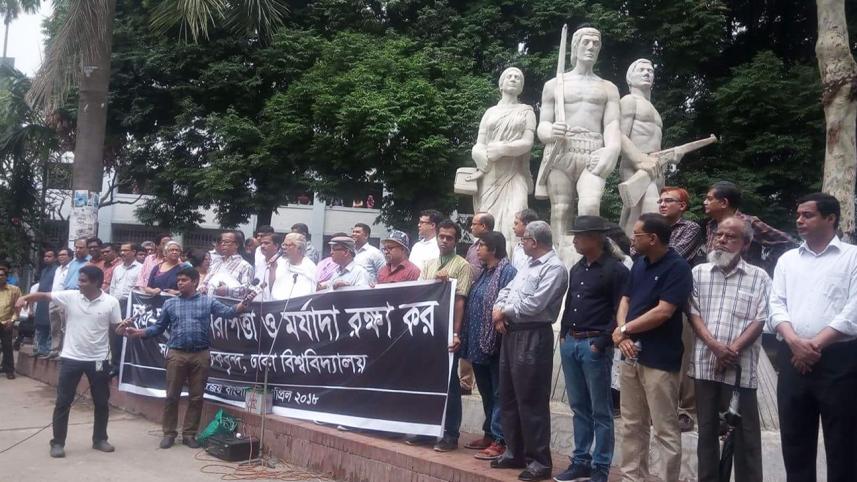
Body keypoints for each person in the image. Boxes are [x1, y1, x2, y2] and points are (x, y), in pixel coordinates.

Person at [768, 193, 857, 482]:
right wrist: (795, 343)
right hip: (793, 358)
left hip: (839, 361)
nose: (799, 220)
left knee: (843, 442)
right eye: (798, 214)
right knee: (795, 441)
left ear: (830, 218)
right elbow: (776, 305)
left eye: (807, 215)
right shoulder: (787, 260)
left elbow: (852, 310)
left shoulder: (852, 257)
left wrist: (813, 346)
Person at [122, 267, 253, 449]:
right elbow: (159, 328)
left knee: (196, 397)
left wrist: (243, 305)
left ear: (194, 282)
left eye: (184, 280)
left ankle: (189, 434)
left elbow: (228, 313)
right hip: (176, 353)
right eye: (179, 280)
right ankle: (168, 433)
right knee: (172, 396)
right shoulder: (170, 304)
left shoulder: (208, 302)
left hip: (200, 354)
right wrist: (140, 332)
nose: (180, 283)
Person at [612, 213, 693, 482]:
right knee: (632, 424)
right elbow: (625, 299)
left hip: (660, 359)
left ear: (652, 238)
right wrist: (623, 335)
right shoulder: (639, 264)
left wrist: (625, 330)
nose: (633, 239)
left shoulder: (678, 268)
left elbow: (663, 311)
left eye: (637, 235)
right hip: (630, 354)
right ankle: (631, 477)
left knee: (664, 428)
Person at [688, 216, 769, 482]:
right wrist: (714, 346)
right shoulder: (698, 273)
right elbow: (693, 312)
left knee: (745, 436)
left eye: (730, 236)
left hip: (740, 370)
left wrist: (730, 350)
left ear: (745, 244)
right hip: (705, 365)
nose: (721, 240)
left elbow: (761, 318)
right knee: (707, 433)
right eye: (719, 235)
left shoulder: (759, 277)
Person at [16, 265, 122, 458]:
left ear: (96, 282)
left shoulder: (111, 302)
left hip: (99, 360)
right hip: (71, 358)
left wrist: (125, 331)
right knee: (63, 401)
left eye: (83, 280)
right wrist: (25, 297)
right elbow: (43, 295)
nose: (78, 283)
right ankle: (57, 443)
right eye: (79, 280)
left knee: (101, 402)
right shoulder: (71, 296)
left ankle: (100, 439)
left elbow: (117, 329)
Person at [490, 220, 568, 481]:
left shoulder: (555, 269)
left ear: (534, 242)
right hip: (511, 332)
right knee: (509, 395)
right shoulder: (526, 265)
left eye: (523, 240)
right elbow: (507, 290)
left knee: (531, 399)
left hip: (534, 333)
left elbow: (536, 303)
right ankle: (515, 451)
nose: (521, 243)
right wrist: (498, 310)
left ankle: (540, 461)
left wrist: (505, 310)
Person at [555, 216, 629, 482]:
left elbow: (620, 309)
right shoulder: (577, 268)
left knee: (601, 409)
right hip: (571, 342)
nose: (574, 240)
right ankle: (580, 460)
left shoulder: (616, 270)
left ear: (596, 238)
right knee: (578, 406)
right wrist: (563, 334)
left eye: (579, 235)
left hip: (594, 344)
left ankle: (600, 467)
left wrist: (602, 342)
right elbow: (571, 301)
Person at [536, 26, 621, 239]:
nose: (591, 47)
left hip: (593, 151)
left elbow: (612, 124)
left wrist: (612, 150)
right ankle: (561, 256)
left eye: (596, 43)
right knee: (561, 210)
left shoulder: (608, 87)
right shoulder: (554, 85)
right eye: (586, 42)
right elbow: (542, 126)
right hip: (560, 151)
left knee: (590, 206)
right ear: (575, 46)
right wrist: (551, 131)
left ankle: (590, 257)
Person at [415, 219, 474, 452]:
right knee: (426, 381)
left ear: (456, 241)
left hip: (448, 331)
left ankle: (451, 434)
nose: (445, 241)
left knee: (449, 384)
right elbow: (420, 293)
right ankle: (428, 430)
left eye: (450, 237)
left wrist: (456, 333)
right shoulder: (428, 264)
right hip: (429, 330)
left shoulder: (462, 265)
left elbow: (460, 301)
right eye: (442, 236)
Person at [461, 231, 516, 460]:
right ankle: (489, 433)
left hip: (496, 343)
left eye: (481, 245)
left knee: (498, 392)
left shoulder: (508, 272)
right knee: (485, 392)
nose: (477, 249)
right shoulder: (484, 273)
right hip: (478, 343)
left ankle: (501, 439)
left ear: (493, 249)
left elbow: (509, 302)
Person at [470, 67, 536, 255]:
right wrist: (478, 153)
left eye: (518, 77)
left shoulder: (526, 112)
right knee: (488, 222)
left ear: (522, 86)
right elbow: (479, 143)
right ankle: (486, 262)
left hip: (515, 174)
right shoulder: (490, 112)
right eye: (509, 76)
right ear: (501, 83)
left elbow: (527, 143)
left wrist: (503, 149)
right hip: (490, 175)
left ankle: (514, 263)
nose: (513, 78)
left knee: (515, 220)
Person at [659, 186, 705, 431]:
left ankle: (686, 411)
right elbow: (636, 251)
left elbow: (673, 256)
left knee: (684, 356)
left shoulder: (690, 229)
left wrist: (651, 250)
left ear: (683, 206)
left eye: (669, 200)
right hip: (653, 301)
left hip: (681, 302)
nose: (662, 204)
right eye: (661, 200)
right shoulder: (654, 226)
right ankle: (663, 407)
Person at [703, 181, 795, 274]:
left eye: (709, 199)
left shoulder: (748, 223)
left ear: (724, 203)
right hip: (714, 279)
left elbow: (786, 241)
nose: (705, 202)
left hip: (745, 280)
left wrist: (766, 267)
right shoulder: (711, 224)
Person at [108, 243, 142, 373]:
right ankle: (115, 365)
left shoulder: (141, 268)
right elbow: (112, 287)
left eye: (126, 250)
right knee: (114, 334)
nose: (122, 253)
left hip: (131, 304)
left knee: (128, 334)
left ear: (133, 252)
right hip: (116, 303)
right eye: (121, 250)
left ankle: (128, 365)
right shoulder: (117, 269)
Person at [200, 231, 254, 298]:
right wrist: (203, 287)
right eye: (221, 242)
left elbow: (248, 290)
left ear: (236, 245)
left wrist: (228, 290)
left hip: (229, 305)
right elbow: (205, 282)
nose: (223, 244)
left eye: (227, 242)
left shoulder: (245, 266)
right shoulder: (216, 263)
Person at [270, 233, 317, 300]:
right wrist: (272, 270)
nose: (284, 248)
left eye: (288, 245)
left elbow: (309, 294)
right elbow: (273, 290)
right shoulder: (280, 262)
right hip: (276, 306)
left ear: (299, 248)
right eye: (283, 244)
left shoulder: (309, 267)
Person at [32, 249, 58, 357]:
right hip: (41, 301)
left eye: (49, 256)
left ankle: (48, 349)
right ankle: (41, 349)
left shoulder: (58, 270)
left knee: (50, 325)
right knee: (40, 324)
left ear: (55, 258)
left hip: (51, 299)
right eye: (45, 256)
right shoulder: (43, 270)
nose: (46, 258)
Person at [48, 247, 72, 359]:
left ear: (70, 256)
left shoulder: (71, 268)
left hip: (64, 301)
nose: (61, 257)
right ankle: (54, 349)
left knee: (64, 327)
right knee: (54, 327)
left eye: (64, 255)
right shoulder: (58, 269)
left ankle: (63, 351)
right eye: (60, 255)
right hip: (53, 299)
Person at [0, 265, 22, 379]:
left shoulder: (14, 290)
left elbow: (17, 307)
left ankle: (9, 370)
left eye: (1, 275)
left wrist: (12, 320)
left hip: (7, 322)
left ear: (6, 277)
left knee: (7, 346)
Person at [466, 212, 495, 279]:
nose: (471, 227)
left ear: (483, 226)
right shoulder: (473, 247)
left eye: (474, 224)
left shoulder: (495, 247)